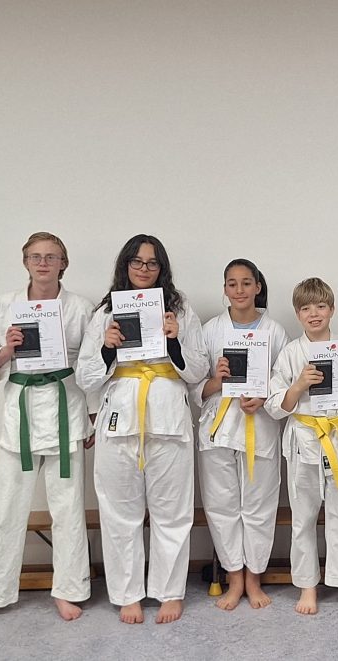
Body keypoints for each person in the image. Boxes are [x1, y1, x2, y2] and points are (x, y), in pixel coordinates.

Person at [0, 232, 93, 625]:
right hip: (21, 412)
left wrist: (94, 414)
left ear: (64, 263)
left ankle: (69, 590)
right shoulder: (5, 305)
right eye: (36, 256)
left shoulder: (80, 308)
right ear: (25, 262)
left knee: (68, 509)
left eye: (51, 256)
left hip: (66, 409)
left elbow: (93, 364)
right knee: (4, 507)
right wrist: (7, 349)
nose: (43, 263)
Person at [76, 234, 208, 624]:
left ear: (161, 268)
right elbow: (85, 377)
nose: (144, 269)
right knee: (120, 513)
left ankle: (169, 591)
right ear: (125, 266)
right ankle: (127, 593)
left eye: (152, 263)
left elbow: (199, 370)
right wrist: (107, 348)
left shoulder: (179, 310)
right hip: (120, 419)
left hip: (168, 418)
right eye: (137, 262)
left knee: (172, 512)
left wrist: (175, 341)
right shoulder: (106, 312)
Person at [264, 278, 338, 616]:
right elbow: (275, 406)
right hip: (305, 442)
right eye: (306, 308)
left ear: (332, 309)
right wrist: (299, 385)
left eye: (321, 306)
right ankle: (307, 586)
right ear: (298, 314)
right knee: (304, 517)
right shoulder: (290, 353)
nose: (314, 314)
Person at [191, 258, 288, 610]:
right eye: (232, 284)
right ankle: (233, 578)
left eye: (246, 283)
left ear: (258, 287)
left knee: (259, 508)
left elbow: (284, 383)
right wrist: (216, 380)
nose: (240, 290)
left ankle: (254, 579)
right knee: (222, 508)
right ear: (225, 289)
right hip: (218, 430)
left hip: (259, 428)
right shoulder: (210, 330)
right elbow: (194, 387)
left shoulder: (275, 332)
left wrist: (263, 398)